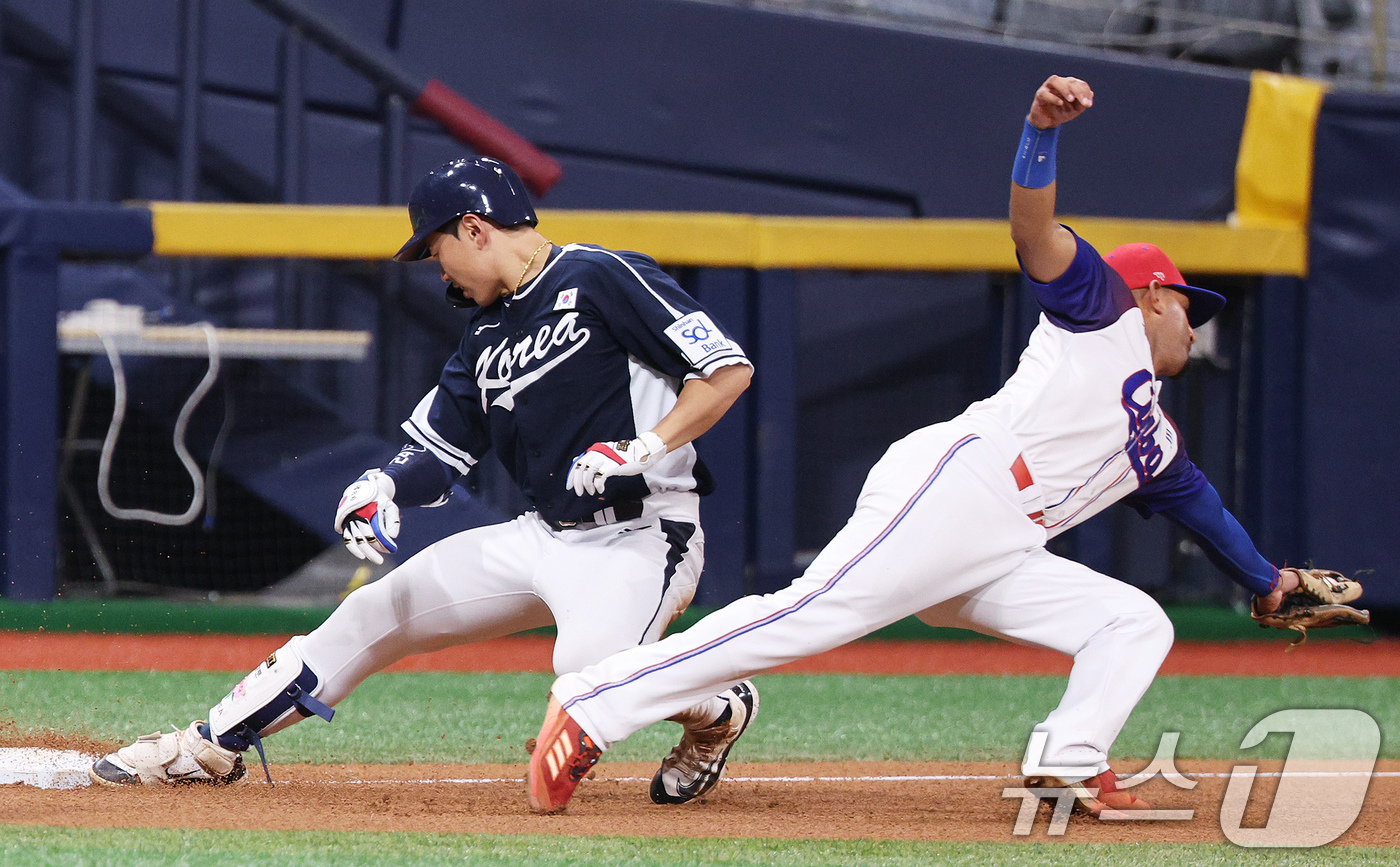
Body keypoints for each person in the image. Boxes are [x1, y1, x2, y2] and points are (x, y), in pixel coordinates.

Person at [525, 75, 1350, 817]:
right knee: (810, 614)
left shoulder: (1156, 438)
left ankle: (1069, 755)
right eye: (1186, 305)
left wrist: (1269, 582)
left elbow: (1203, 510)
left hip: (998, 546)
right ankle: (597, 699)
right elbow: (1032, 229)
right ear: (1152, 294)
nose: (1192, 325)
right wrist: (1041, 131)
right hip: (966, 483)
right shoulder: (1105, 308)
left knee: (1132, 621)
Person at [90, 156, 760, 807]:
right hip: (545, 536)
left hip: (644, 533)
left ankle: (717, 707)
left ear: (475, 227)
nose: (439, 273)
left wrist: (648, 443)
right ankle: (205, 746)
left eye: (437, 250)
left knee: (586, 670)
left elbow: (727, 370)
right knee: (375, 609)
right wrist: (381, 484)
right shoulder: (485, 335)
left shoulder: (601, 274)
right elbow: (438, 451)